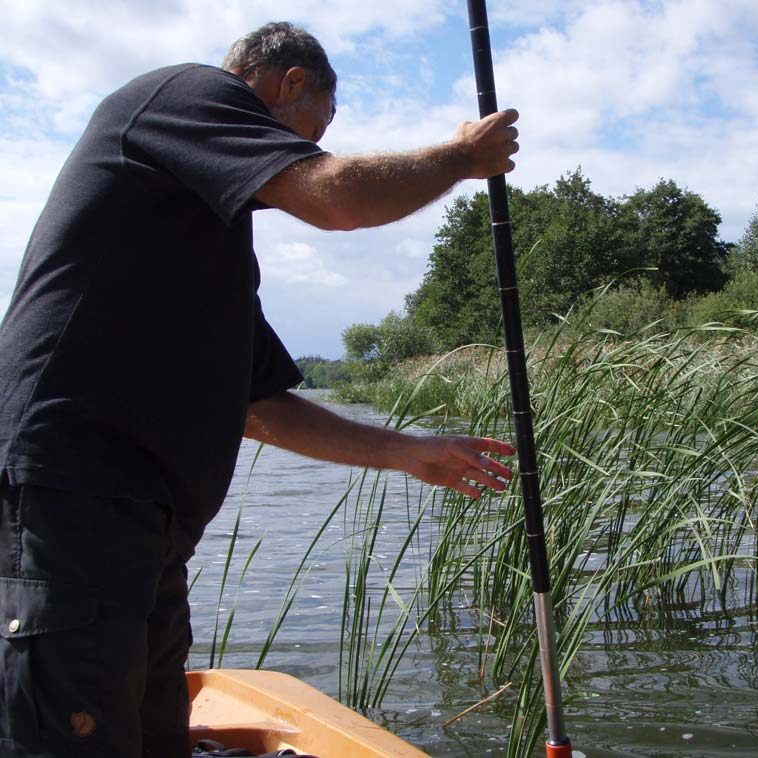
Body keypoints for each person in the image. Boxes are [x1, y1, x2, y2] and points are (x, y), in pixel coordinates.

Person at [0, 21, 519, 758]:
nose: (313, 143)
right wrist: (463, 157)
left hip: (143, 529)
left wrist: (410, 453)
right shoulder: (184, 92)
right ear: (290, 84)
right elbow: (335, 198)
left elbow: (260, 408)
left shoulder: (203, 250)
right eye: (321, 124)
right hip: (72, 495)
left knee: (151, 739)